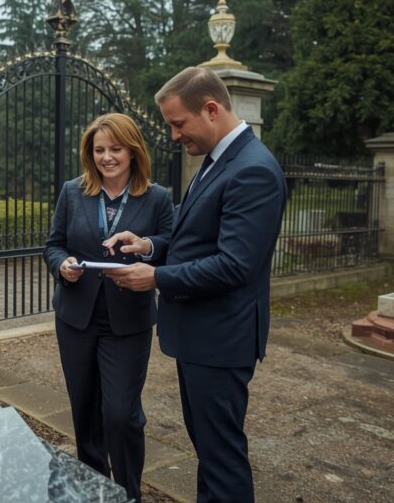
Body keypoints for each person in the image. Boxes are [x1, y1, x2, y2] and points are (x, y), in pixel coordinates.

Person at [106, 67, 287, 502]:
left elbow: (233, 266)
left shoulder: (254, 170)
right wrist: (148, 245)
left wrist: (155, 278)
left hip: (221, 341)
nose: (172, 135)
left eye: (177, 123)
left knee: (222, 459)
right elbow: (196, 239)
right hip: (203, 338)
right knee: (210, 452)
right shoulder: (218, 161)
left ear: (210, 110)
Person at [43, 112, 173, 501]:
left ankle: (128, 492)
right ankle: (94, 489)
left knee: (121, 414)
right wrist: (61, 265)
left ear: (133, 151)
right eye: (99, 150)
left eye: (115, 149)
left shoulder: (157, 198)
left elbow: (169, 245)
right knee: (85, 413)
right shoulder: (72, 191)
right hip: (76, 319)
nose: (107, 157)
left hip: (128, 322)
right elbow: (54, 244)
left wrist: (147, 247)